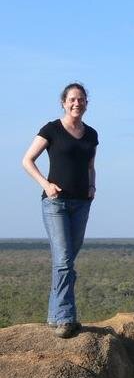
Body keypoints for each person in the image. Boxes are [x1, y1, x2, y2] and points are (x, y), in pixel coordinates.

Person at [22, 83, 98, 339]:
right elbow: (27, 160)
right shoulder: (51, 129)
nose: (77, 103)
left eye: (82, 99)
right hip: (56, 202)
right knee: (64, 261)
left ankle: (56, 316)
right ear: (63, 102)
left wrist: (92, 186)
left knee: (65, 263)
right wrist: (46, 184)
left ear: (87, 103)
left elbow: (90, 165)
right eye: (73, 99)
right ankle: (66, 318)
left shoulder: (91, 134)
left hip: (81, 203)